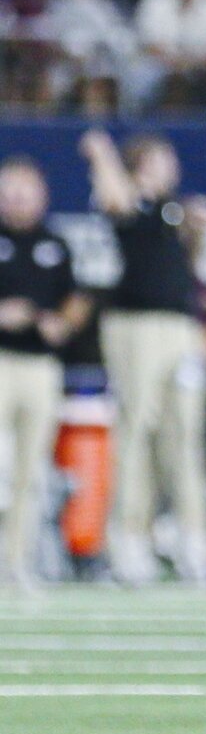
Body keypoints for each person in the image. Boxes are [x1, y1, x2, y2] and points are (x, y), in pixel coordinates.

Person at [81, 129, 206, 585]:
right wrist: (103, 154)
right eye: (158, 158)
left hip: (180, 325)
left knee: (184, 435)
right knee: (135, 431)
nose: (167, 166)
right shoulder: (130, 200)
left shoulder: (174, 211)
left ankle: (193, 538)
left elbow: (188, 270)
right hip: (135, 325)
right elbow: (115, 199)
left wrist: (198, 232)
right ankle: (128, 541)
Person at [0, 159, 88, 587]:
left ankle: (17, 561)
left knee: (31, 469)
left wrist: (64, 322)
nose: (17, 197)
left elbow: (76, 298)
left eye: (25, 189)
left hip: (40, 364)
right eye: (10, 189)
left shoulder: (56, 242)